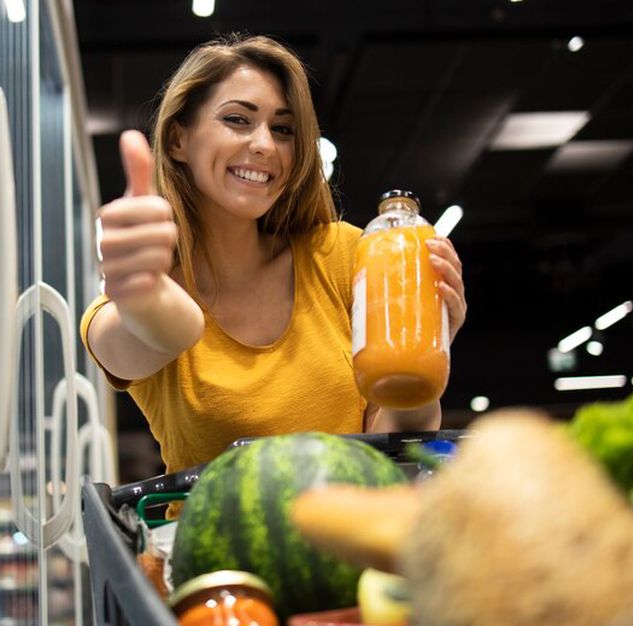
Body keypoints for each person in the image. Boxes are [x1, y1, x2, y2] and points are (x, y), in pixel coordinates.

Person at [80, 34, 467, 481]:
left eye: (282, 129)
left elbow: (393, 443)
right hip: (214, 547)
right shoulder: (129, 304)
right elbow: (158, 334)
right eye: (237, 119)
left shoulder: (345, 254)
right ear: (176, 141)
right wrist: (144, 296)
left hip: (348, 537)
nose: (265, 144)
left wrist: (421, 353)